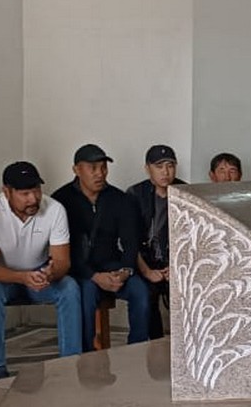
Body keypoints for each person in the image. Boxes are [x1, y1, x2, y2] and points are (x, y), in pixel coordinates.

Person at [0, 161, 80, 379]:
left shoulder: (55, 209)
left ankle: (70, 361)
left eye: (36, 190)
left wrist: (51, 272)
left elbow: (62, 261)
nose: (33, 198)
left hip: (38, 272)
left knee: (69, 287)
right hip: (0, 275)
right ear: (6, 192)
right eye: (24, 193)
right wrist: (22, 277)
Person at [53, 144, 150, 348]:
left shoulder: (120, 199)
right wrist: (94, 276)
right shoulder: (61, 201)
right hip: (80, 270)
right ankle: (86, 354)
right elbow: (61, 250)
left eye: (103, 168)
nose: (100, 174)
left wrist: (125, 271)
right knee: (86, 294)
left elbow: (130, 242)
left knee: (140, 291)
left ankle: (137, 349)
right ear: (76, 170)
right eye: (93, 168)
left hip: (112, 265)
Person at [128, 144, 185, 340]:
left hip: (176, 264)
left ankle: (184, 346)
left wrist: (176, 266)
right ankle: (148, 347)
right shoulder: (135, 194)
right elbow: (129, 241)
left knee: (187, 292)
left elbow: (192, 240)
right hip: (144, 262)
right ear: (148, 169)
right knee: (145, 295)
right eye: (159, 167)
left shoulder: (185, 192)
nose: (165, 172)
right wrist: (146, 271)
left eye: (170, 166)